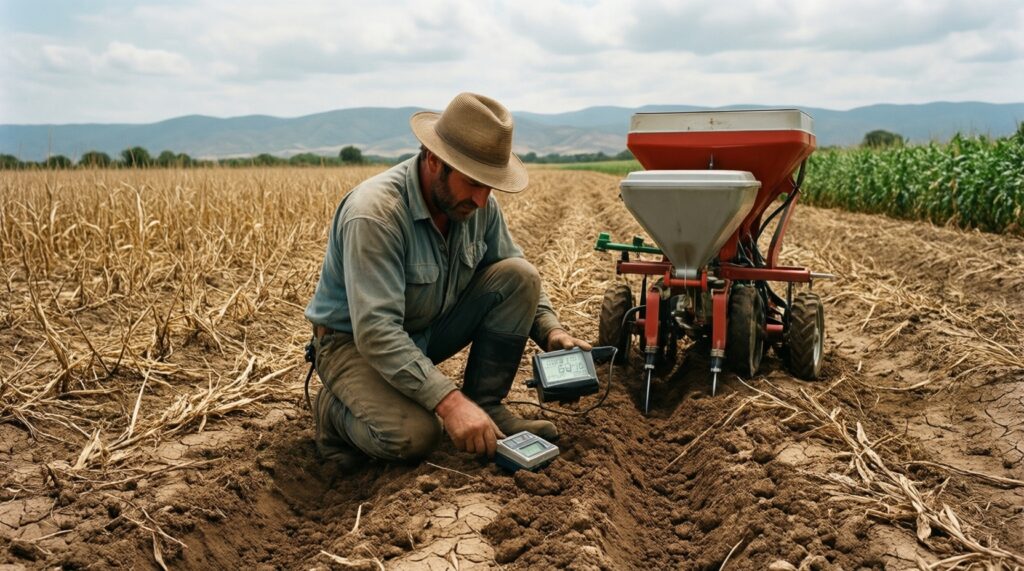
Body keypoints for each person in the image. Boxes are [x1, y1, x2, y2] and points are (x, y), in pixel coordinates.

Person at [304, 92, 591, 466]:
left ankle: (486, 403)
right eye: (474, 183)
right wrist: (450, 403)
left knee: (519, 276)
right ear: (434, 160)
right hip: (354, 345)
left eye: (490, 185)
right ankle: (334, 412)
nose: (482, 199)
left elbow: (512, 267)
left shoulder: (475, 205)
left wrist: (552, 331)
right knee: (416, 436)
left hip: (424, 330)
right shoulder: (375, 215)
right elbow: (376, 331)